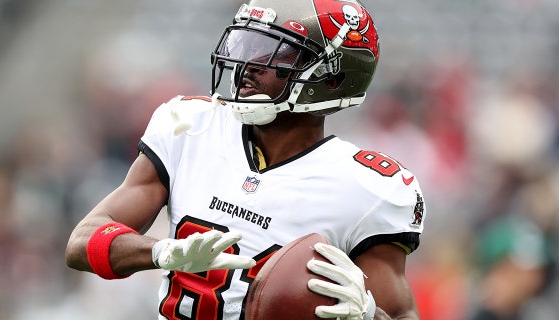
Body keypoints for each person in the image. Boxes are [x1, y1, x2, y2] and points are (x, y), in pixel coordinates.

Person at [65, 0, 426, 319]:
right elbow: (81, 243)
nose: (248, 64)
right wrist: (160, 252)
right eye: (249, 44)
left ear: (331, 79)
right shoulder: (192, 129)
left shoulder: (369, 188)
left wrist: (366, 315)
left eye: (274, 51)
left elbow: (401, 314)